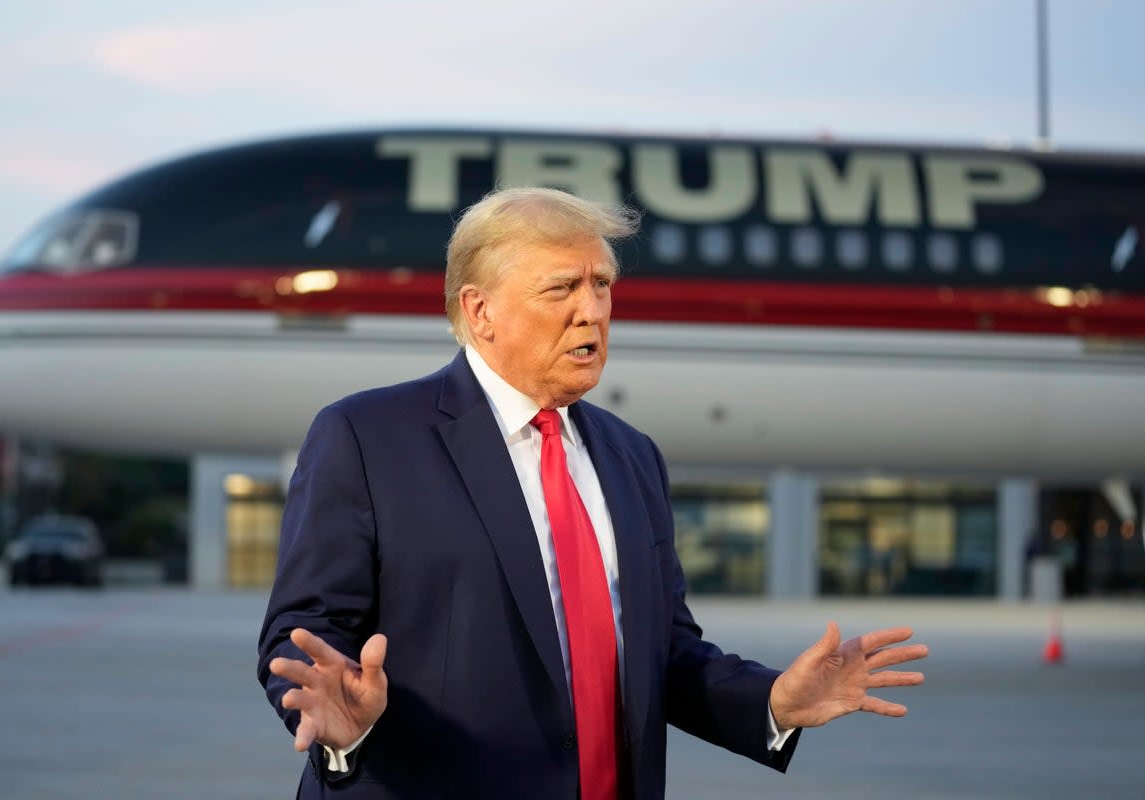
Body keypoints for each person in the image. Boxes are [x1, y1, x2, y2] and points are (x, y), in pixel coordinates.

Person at [258, 187, 927, 799]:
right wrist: (340, 718)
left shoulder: (632, 456)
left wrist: (773, 702)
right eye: (561, 289)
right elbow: (304, 636)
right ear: (480, 310)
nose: (592, 310)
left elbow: (664, 653)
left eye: (602, 285)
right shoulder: (367, 437)